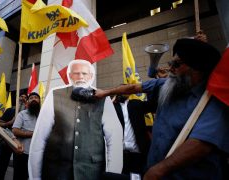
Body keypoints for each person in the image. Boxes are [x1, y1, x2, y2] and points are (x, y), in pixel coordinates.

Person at [95, 38, 229, 179]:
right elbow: (134, 87)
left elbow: (201, 144)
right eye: (170, 63)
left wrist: (160, 169)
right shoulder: (166, 85)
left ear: (197, 68)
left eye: (176, 64)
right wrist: (105, 92)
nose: (170, 69)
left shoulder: (213, 102)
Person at [29, 60, 123, 180]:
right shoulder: (54, 94)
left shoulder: (104, 99)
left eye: (84, 73)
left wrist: (113, 176)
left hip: (92, 173)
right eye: (76, 73)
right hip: (56, 172)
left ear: (91, 76)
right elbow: (39, 139)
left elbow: (114, 140)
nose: (80, 76)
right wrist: (35, 178)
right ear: (69, 76)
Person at [113, 95, 151, 177]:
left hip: (137, 152)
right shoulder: (112, 107)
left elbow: (152, 105)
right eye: (119, 92)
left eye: (124, 91)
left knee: (136, 176)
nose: (122, 93)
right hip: (120, 154)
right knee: (121, 176)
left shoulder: (136, 104)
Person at [12, 92, 41, 180]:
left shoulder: (43, 115)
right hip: (23, 153)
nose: (34, 99)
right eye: (31, 98)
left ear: (39, 101)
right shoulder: (22, 114)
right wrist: (33, 133)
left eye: (36, 97)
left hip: (38, 154)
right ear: (28, 101)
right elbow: (15, 130)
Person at [0, 108, 16, 180]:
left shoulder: (28, 112)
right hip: (6, 143)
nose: (23, 98)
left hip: (20, 145)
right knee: (2, 167)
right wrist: (10, 122)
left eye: (25, 97)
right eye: (21, 96)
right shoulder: (10, 110)